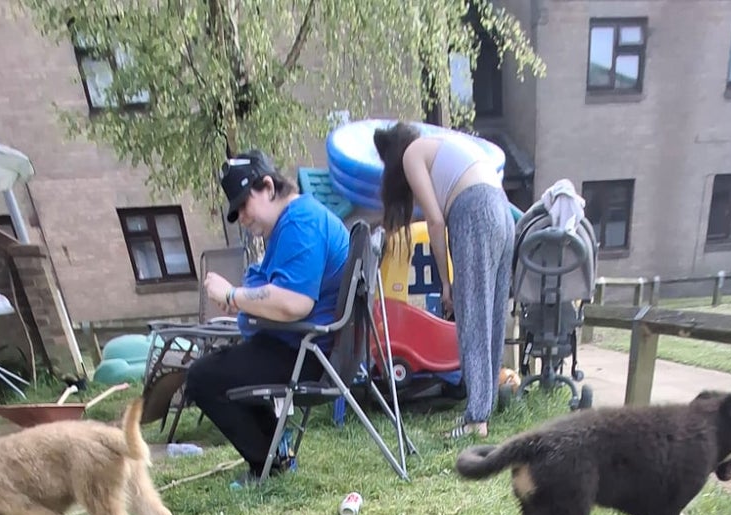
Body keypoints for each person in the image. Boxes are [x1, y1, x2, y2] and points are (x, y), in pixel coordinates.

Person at [184, 151, 350, 481]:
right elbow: (274, 291)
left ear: (269, 188)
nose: (242, 217)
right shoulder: (292, 225)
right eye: (236, 212)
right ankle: (275, 455)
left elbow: (294, 303)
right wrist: (245, 302)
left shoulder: (300, 223)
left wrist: (232, 296)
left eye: (244, 204)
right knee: (225, 367)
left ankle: (269, 465)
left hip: (308, 353)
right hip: (302, 346)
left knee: (203, 378)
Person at [374, 122, 514, 441]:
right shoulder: (440, 145)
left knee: (472, 317)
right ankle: (486, 404)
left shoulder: (411, 154)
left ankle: (476, 419)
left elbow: (435, 222)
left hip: (475, 210)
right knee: (491, 315)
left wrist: (446, 282)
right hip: (502, 212)